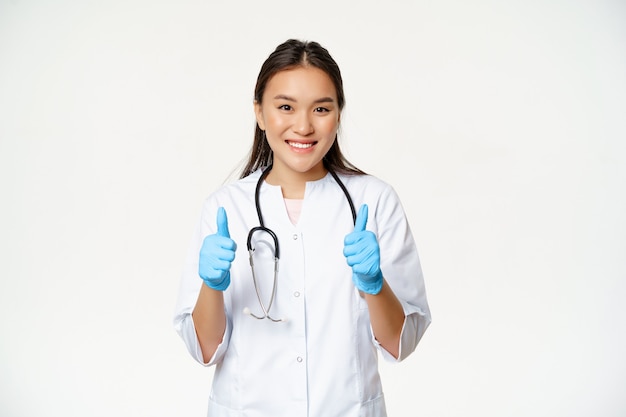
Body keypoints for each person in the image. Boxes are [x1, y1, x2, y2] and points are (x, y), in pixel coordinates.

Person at [173, 39, 431, 417]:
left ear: (339, 113)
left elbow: (400, 344)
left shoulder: (374, 202)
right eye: (285, 107)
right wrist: (212, 287)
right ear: (260, 113)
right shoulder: (226, 207)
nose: (304, 126)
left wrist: (374, 286)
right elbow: (205, 350)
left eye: (321, 108)